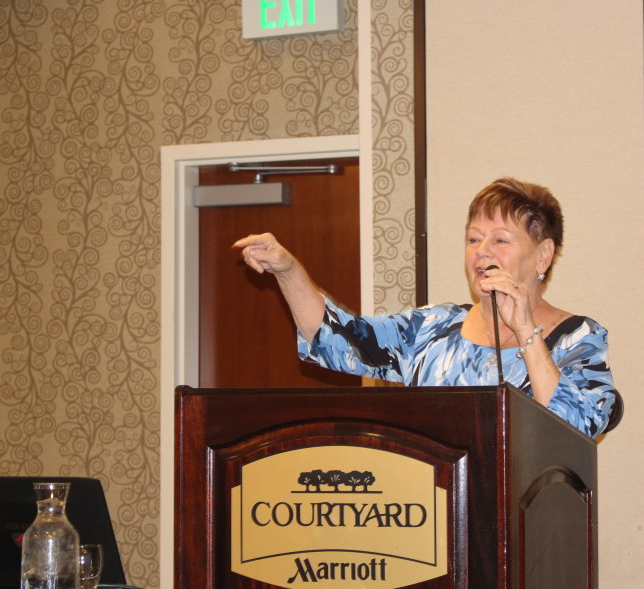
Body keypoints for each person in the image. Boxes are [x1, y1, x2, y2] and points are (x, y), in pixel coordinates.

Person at [233, 177, 617, 438]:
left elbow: (578, 427)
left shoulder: (577, 337)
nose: (481, 251)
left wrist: (526, 331)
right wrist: (287, 270)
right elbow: (336, 340)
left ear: (543, 255)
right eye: (473, 238)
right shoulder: (432, 328)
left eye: (500, 240)